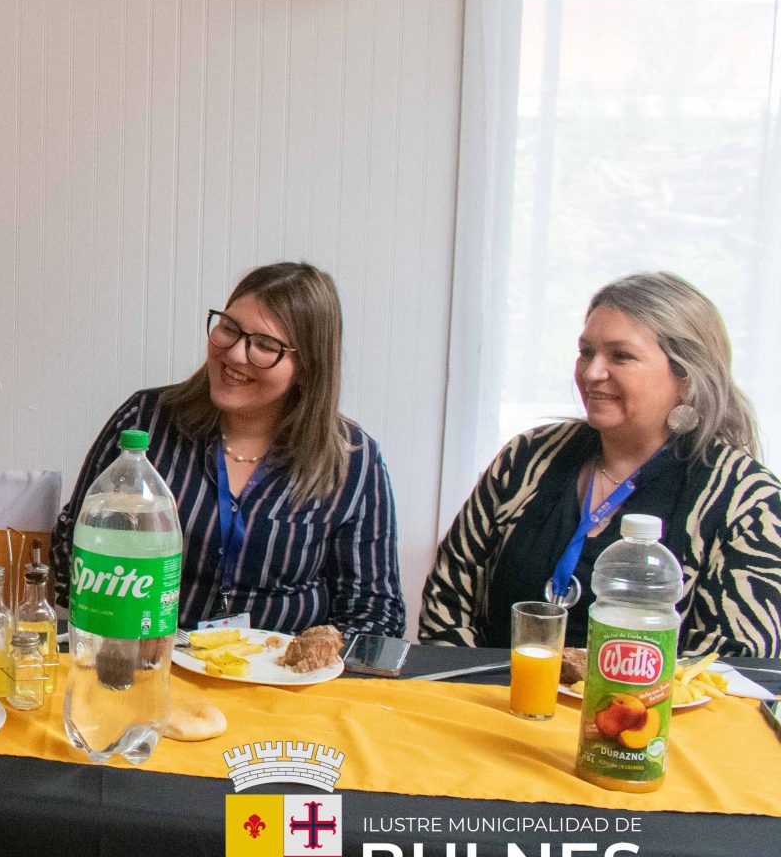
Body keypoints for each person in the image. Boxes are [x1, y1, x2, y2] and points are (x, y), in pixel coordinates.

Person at [423, 273, 781, 658]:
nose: (592, 372)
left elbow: (735, 663)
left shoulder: (746, 499)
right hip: (494, 693)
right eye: (586, 352)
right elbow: (446, 603)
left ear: (686, 377)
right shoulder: (526, 457)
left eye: (621, 356)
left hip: (649, 700)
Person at [51, 262, 403, 637]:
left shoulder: (351, 460)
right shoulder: (145, 422)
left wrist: (309, 658)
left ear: (307, 367)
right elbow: (70, 545)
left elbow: (375, 612)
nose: (235, 354)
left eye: (265, 345)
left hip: (279, 670)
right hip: (151, 657)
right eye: (230, 329)